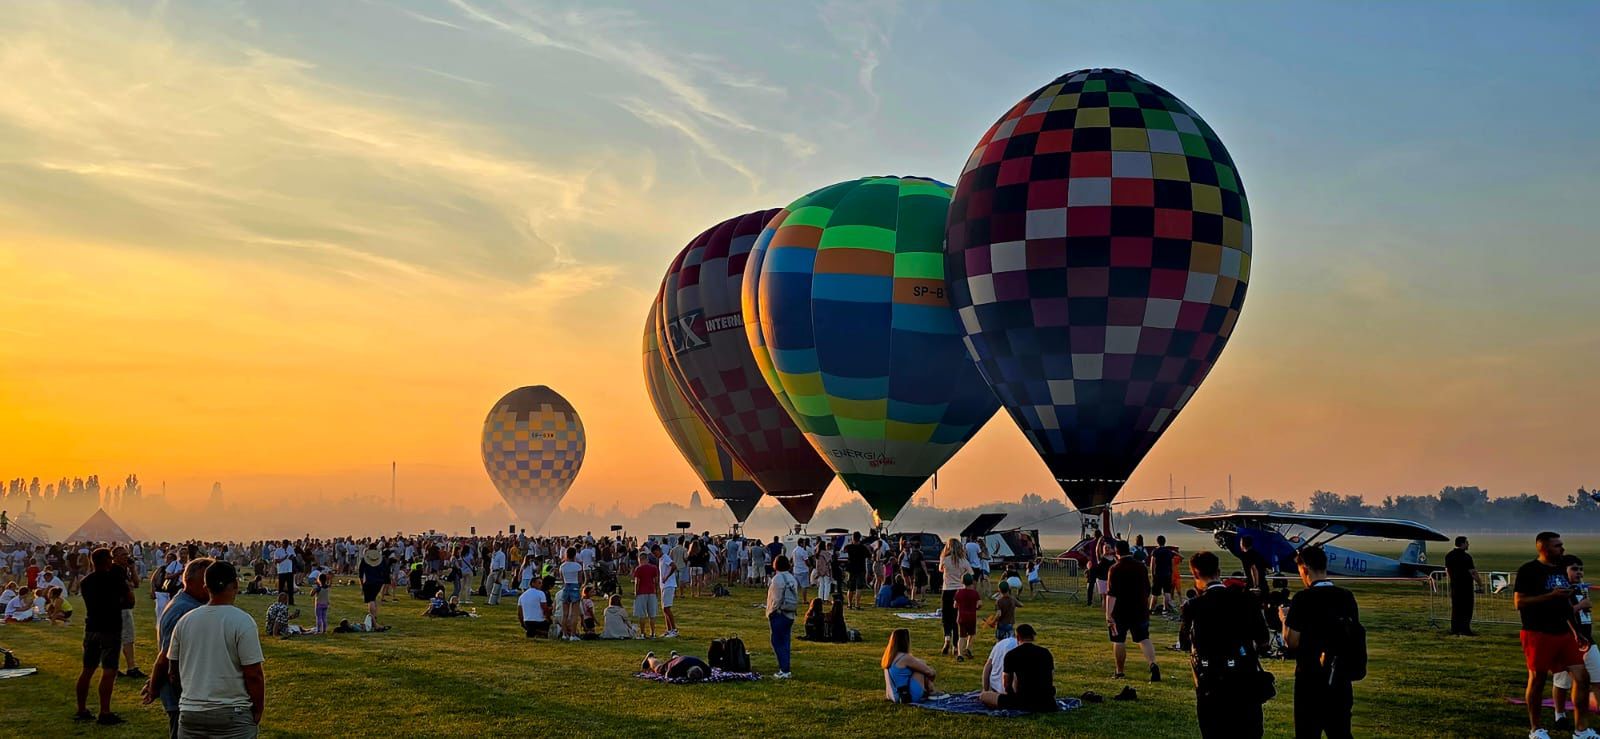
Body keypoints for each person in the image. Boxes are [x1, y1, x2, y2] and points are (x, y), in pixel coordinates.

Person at [163, 560, 265, 737]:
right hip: (232, 712)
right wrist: (257, 709)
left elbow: (173, 671)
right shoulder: (242, 621)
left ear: (206, 586)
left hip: (191, 713)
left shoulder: (185, 621)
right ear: (235, 584)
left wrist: (189, 698)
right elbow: (253, 674)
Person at [1514, 532, 1596, 739]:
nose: (1562, 548)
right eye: (1558, 546)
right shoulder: (1529, 570)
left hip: (1564, 633)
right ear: (1544, 548)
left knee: (1582, 677)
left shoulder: (1561, 570)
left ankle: (1582, 730)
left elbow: (1565, 605)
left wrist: (1576, 631)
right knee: (1538, 679)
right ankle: (1536, 730)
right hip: (1538, 632)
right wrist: (1550, 596)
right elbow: (1519, 603)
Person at [1180, 551, 1270, 739]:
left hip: (1210, 681)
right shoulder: (1246, 600)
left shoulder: (1194, 606)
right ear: (1219, 571)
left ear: (1195, 574)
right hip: (1244, 676)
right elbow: (1263, 639)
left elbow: (1184, 641)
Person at [1280, 545, 1362, 739]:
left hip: (1310, 678)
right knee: (1341, 731)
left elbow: (1291, 642)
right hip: (1340, 676)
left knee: (1307, 732)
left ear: (1305, 569)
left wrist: (1284, 620)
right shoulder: (1346, 596)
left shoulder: (1303, 599)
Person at [143, 558, 212, 738]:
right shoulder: (185, 610)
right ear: (188, 581)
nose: (209, 586)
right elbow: (165, 657)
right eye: (205, 581)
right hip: (181, 693)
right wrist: (155, 685)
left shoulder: (187, 603)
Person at [76, 547, 134, 725]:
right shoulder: (114, 579)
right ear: (108, 560)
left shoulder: (86, 582)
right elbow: (130, 601)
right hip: (111, 628)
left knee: (87, 670)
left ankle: (82, 709)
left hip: (92, 627)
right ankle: (105, 711)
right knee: (109, 670)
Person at [1553, 556, 1599, 733]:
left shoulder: (1580, 588)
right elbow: (1559, 616)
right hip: (1566, 641)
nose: (1579, 572)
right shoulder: (1560, 591)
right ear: (1563, 571)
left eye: (1581, 568)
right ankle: (1560, 715)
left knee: (1597, 676)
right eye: (1574, 568)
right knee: (1562, 682)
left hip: (1587, 640)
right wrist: (1580, 606)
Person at [1106, 539, 1160, 682]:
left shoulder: (1115, 569)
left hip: (1120, 611)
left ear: (1116, 552)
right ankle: (1153, 664)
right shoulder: (1141, 567)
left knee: (1119, 640)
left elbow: (1112, 594)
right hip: (1139, 609)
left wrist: (1108, 614)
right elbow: (1147, 589)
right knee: (1144, 638)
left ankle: (1120, 671)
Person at [979, 624, 1056, 712]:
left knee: (984, 696)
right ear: (1033, 637)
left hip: (1022, 702)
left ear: (1018, 637)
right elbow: (1051, 677)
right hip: (1047, 702)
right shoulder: (1046, 653)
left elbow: (1006, 683)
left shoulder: (1012, 655)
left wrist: (1011, 695)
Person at [882, 627, 937, 703]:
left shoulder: (889, 657)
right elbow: (929, 672)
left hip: (893, 695)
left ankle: (931, 690)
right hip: (906, 697)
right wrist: (932, 673)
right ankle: (932, 691)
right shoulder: (905, 658)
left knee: (920, 664)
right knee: (921, 670)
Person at [938, 538, 973, 656]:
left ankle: (947, 637)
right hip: (959, 590)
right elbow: (971, 573)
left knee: (946, 616)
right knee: (957, 619)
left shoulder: (945, 559)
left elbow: (940, 569)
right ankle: (955, 646)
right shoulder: (963, 560)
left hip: (947, 589)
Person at [767, 554, 800, 679]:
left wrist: (771, 612)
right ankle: (786, 667)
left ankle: (784, 669)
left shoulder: (777, 579)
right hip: (790, 613)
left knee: (777, 641)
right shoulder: (792, 578)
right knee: (785, 642)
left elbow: (775, 599)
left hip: (779, 613)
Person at [1445, 535, 1482, 637]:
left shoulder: (1449, 555)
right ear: (1462, 544)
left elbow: (1448, 570)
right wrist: (1480, 584)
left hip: (1455, 586)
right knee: (1466, 608)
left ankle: (1455, 628)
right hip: (1465, 586)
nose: (1468, 544)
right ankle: (1465, 629)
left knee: (1456, 608)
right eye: (1466, 542)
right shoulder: (1466, 557)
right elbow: (1472, 572)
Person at [357, 546, 387, 631]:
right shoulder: (380, 560)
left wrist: (362, 586)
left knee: (370, 600)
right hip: (379, 582)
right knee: (373, 599)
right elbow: (385, 571)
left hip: (369, 582)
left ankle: (373, 619)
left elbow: (360, 574)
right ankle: (375, 617)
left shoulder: (365, 560)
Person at [954, 573, 981, 661]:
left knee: (962, 636)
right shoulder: (975, 593)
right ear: (972, 582)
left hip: (962, 617)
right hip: (972, 617)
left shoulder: (959, 592)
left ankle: (960, 654)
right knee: (972, 634)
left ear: (962, 582)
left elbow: (955, 605)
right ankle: (968, 648)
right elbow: (979, 604)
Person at [983, 629, 1019, 694]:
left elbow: (987, 667)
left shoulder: (999, 644)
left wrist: (985, 690)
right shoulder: (1018, 646)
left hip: (995, 688)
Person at [558, 547, 583, 642]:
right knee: (574, 614)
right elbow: (580, 580)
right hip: (575, 586)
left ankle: (565, 634)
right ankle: (573, 634)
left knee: (565, 614)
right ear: (575, 555)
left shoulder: (562, 566)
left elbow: (562, 579)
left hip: (566, 587)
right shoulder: (578, 566)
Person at [632, 552, 659, 639]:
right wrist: (656, 591)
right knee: (652, 614)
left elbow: (637, 582)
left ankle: (643, 633)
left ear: (640, 559)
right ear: (647, 559)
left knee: (642, 614)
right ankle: (653, 633)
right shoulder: (654, 568)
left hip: (641, 593)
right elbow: (656, 581)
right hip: (651, 592)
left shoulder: (638, 569)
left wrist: (635, 592)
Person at [1150, 535, 1178, 615]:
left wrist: (1152, 574)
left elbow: (1153, 564)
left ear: (1157, 542)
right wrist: (1171, 573)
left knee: (1155, 593)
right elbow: (1172, 564)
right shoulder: (1169, 551)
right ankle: (1165, 609)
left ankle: (1151, 609)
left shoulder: (1155, 551)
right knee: (1167, 592)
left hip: (1158, 574)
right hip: (1167, 574)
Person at [845, 533, 871, 610]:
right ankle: (857, 604)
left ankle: (849, 604)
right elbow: (869, 556)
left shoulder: (848, 547)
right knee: (858, 587)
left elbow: (843, 553)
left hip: (851, 569)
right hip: (860, 569)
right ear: (860, 538)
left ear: (853, 538)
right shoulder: (863, 547)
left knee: (850, 588)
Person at [659, 548, 680, 638]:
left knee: (667, 608)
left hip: (669, 585)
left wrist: (667, 576)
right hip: (664, 586)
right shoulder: (660, 559)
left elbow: (674, 566)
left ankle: (674, 630)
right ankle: (668, 629)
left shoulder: (665, 557)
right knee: (664, 609)